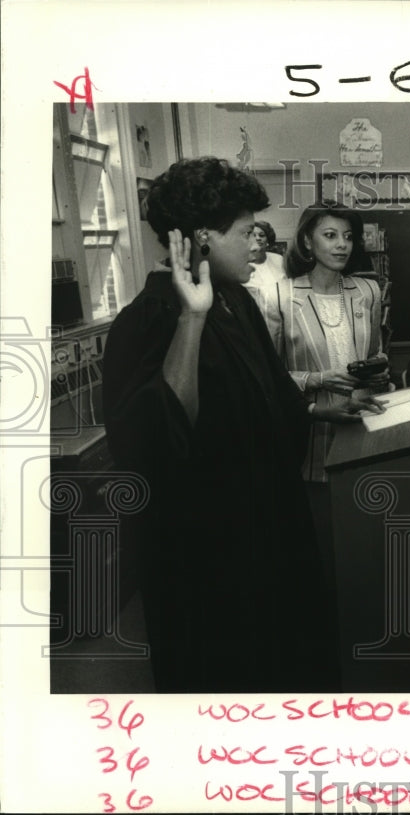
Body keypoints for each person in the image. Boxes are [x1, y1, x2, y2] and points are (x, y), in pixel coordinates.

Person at [102, 157, 348, 692]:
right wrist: (192, 317)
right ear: (201, 239)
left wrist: (319, 410)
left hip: (269, 531)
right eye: (245, 232)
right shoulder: (146, 319)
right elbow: (158, 439)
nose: (257, 245)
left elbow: (265, 404)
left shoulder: (238, 302)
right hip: (208, 558)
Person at [276, 201, 388, 547]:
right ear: (308, 241)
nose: (342, 244)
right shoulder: (280, 296)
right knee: (322, 541)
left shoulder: (368, 291)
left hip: (363, 429)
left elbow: (376, 354)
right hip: (311, 439)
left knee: (364, 543)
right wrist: (317, 380)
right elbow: (269, 377)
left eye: (348, 236)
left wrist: (377, 371)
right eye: (330, 235)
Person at [244, 219, 285, 348]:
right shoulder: (242, 263)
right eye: (253, 235)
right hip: (253, 325)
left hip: (281, 324)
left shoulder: (279, 260)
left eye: (262, 235)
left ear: (268, 239)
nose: (257, 238)